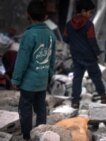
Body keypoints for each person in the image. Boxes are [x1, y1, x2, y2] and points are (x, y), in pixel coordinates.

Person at [11, 0, 56, 140]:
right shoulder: (51, 35)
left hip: (28, 83)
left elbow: (22, 60)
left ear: (28, 15)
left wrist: (16, 79)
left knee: (25, 109)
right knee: (41, 108)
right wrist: (50, 74)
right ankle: (41, 134)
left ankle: (26, 135)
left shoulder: (29, 35)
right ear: (45, 16)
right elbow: (52, 59)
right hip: (42, 81)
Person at [63, 0, 106, 108]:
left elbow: (65, 38)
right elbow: (92, 41)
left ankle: (75, 101)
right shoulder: (89, 25)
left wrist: (75, 42)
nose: (90, 15)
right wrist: (97, 53)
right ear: (83, 11)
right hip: (89, 56)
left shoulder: (68, 24)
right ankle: (103, 96)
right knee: (96, 76)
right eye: (90, 12)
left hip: (76, 56)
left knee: (77, 78)